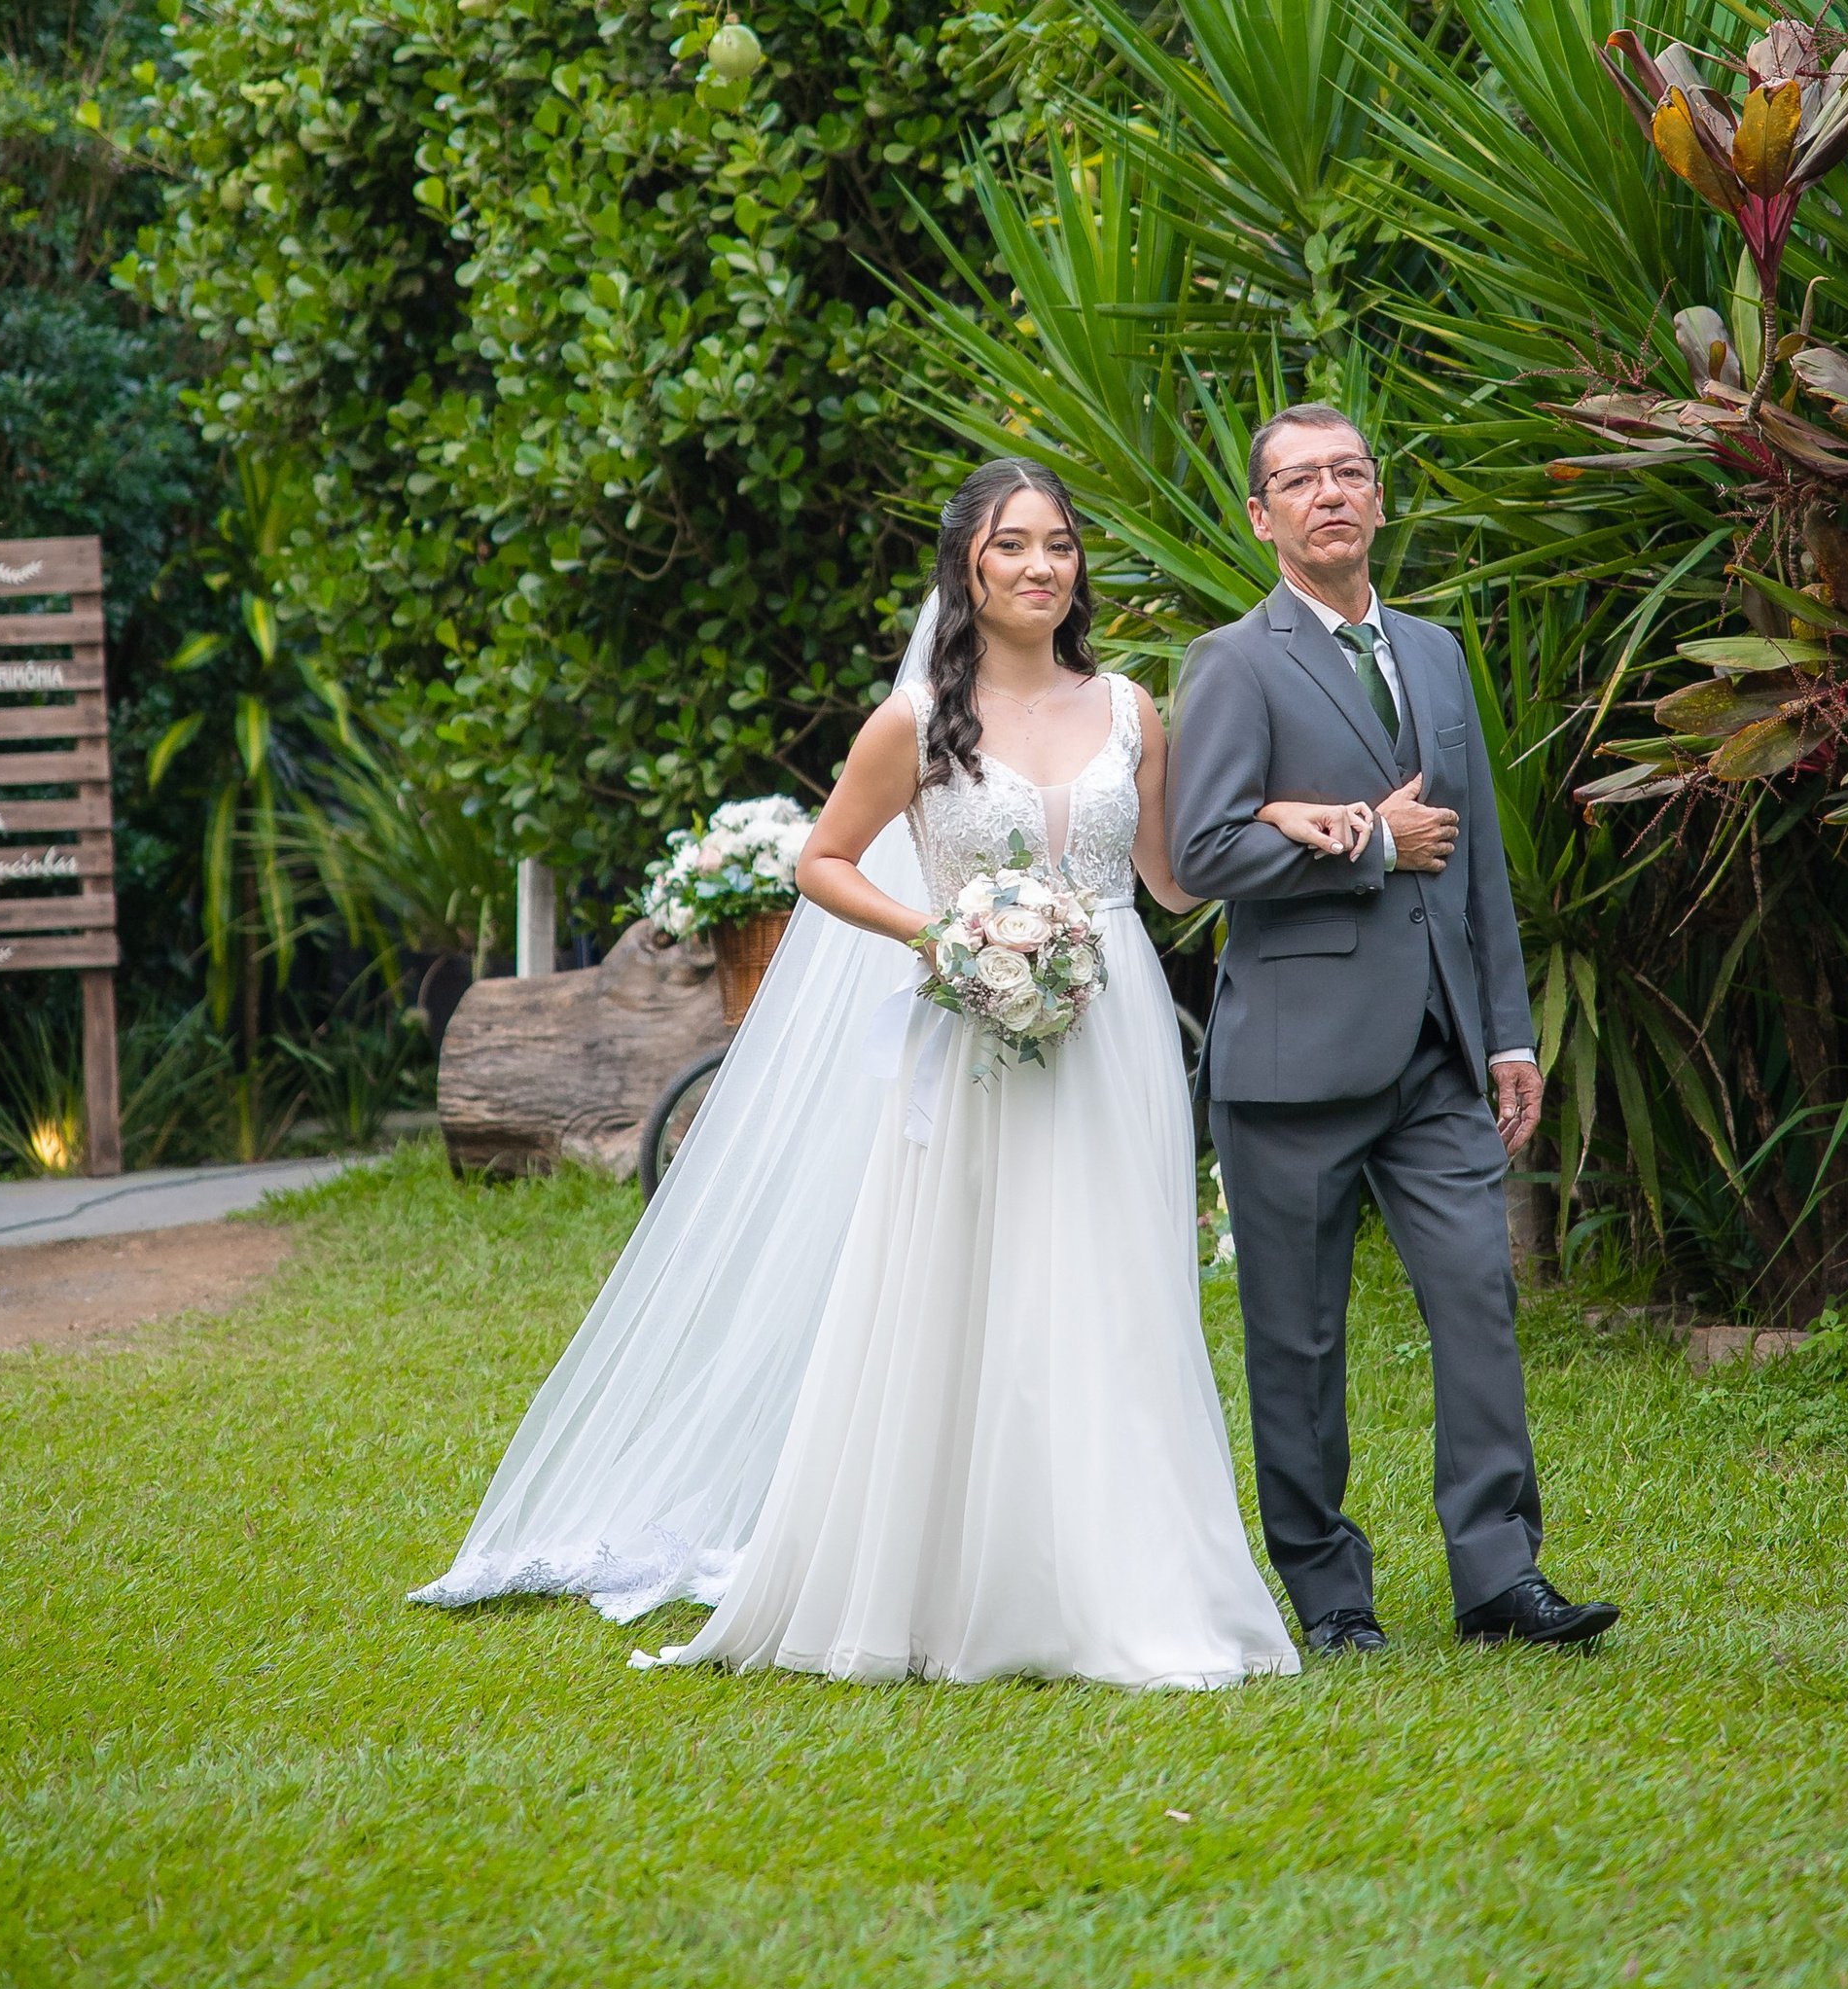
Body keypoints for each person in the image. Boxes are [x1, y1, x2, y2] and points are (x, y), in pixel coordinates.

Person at [412, 457, 1307, 1689]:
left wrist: (1299, 824)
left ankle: (1127, 1580)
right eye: (1011, 547)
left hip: (1115, 1031)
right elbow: (823, 861)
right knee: (964, 1288)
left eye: (1057, 545)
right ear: (967, 569)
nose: (1040, 566)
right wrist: (938, 936)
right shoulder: (914, 726)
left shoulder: (1131, 711)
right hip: (967, 1027)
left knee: (1116, 1289)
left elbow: (1169, 878)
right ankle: (949, 1582)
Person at [1166, 401, 1620, 1656]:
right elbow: (1203, 852)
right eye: (1300, 481)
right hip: (1290, 1064)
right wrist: (1365, 839)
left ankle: (1499, 1576)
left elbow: (1472, 867)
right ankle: (1328, 1592)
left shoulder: (1432, 652)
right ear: (1261, 518)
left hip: (1433, 1060)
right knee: (1299, 1342)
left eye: (1350, 473)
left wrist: (1508, 1036)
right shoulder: (1233, 662)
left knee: (1477, 1298)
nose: (1331, 495)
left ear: (1378, 499)